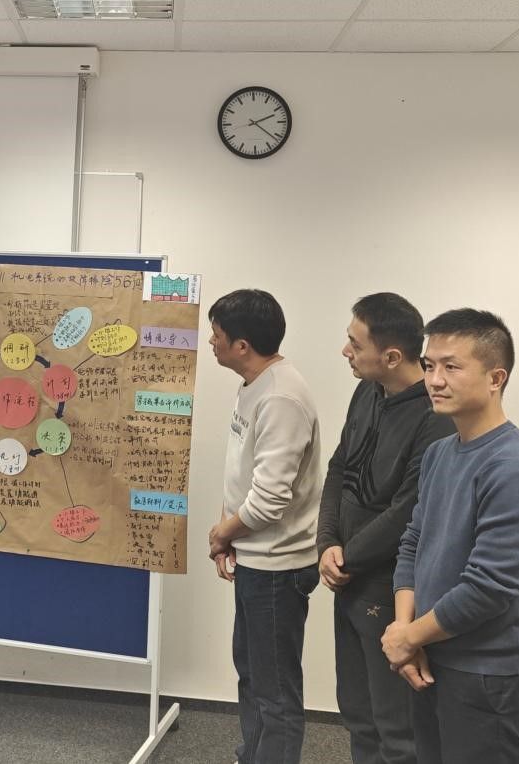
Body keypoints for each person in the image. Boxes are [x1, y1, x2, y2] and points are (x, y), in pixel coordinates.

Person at [381, 309, 519, 764]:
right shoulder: (440, 453)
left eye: (451, 366)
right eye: (429, 365)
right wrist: (405, 631)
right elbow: (412, 543)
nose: (434, 380)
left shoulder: (516, 468)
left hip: (487, 675)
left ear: (496, 378)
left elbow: (489, 588)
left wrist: (410, 637)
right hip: (430, 655)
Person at [317, 293, 454, 764]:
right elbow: (339, 468)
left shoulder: (434, 418)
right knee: (357, 713)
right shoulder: (368, 391)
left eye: (355, 344)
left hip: (391, 588)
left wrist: (346, 558)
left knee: (398, 727)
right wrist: (327, 543)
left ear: (392, 356)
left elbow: (406, 512)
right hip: (346, 576)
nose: (346, 351)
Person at [206, 289, 323, 764]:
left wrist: (223, 535)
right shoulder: (254, 383)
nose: (211, 342)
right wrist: (227, 532)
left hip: (278, 567)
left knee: (275, 691)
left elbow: (271, 499)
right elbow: (245, 471)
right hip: (255, 555)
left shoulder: (280, 397)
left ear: (242, 345)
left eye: (216, 335)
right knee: (253, 675)